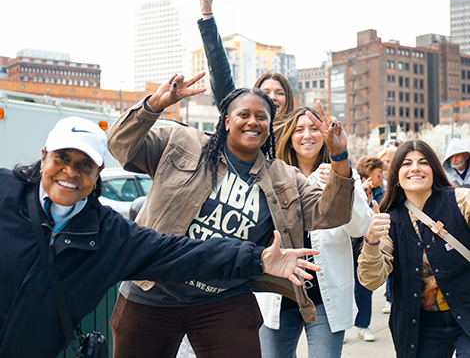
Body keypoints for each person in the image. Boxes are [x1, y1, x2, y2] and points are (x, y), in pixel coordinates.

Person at [0, 115, 324, 357]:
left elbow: (179, 253)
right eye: (62, 158)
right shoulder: (6, 193)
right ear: (44, 156)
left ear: (98, 173)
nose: (71, 172)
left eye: (84, 164)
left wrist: (259, 258)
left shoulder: (109, 235)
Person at [106, 73, 355, 357]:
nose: (253, 122)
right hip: (154, 290)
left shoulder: (283, 177)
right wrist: (153, 105)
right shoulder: (182, 142)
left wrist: (339, 156)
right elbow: (119, 146)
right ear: (226, 121)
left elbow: (332, 214)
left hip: (223, 297)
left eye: (262, 117)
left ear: (270, 125)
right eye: (244, 114)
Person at [256, 106, 373, 358]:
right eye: (299, 130)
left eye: (313, 129)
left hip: (324, 295)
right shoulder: (271, 175)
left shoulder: (342, 173)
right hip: (277, 291)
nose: (307, 135)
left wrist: (339, 181)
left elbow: (360, 227)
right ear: (289, 137)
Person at [358, 139, 470, 358]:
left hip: (466, 311)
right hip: (421, 325)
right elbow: (371, 279)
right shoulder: (390, 220)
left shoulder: (461, 200)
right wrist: (371, 241)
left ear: (434, 170)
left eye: (423, 162)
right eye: (406, 163)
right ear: (397, 175)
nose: (415, 168)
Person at [197, 0, 294, 129]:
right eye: (266, 92)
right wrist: (207, 15)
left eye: (280, 93)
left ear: (289, 99)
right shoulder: (243, 126)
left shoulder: (298, 133)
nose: (273, 97)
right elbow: (220, 73)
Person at [350, 156, 386, 341]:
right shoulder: (352, 187)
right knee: (344, 286)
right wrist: (361, 196)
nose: (382, 177)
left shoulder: (383, 191)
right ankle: (338, 328)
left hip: (365, 244)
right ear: (367, 175)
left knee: (364, 286)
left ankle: (362, 325)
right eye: (379, 174)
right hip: (347, 244)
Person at [378, 146, 398, 314]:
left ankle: (392, 298)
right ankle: (389, 298)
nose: (386, 164)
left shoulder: (398, 180)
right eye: (383, 160)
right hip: (383, 223)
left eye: (389, 160)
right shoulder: (377, 180)